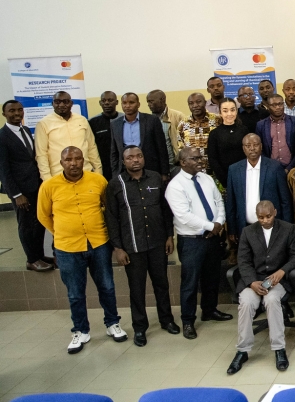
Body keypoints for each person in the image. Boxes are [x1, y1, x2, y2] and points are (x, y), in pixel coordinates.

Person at [37, 146, 127, 353]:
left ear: (83, 160)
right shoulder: (49, 186)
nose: (74, 163)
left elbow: (109, 209)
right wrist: (62, 232)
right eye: (68, 160)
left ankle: (112, 324)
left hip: (99, 243)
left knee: (107, 287)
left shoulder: (98, 181)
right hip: (67, 248)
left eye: (78, 159)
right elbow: (43, 216)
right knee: (75, 293)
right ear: (61, 163)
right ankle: (80, 331)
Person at [105, 145, 179, 347]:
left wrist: (169, 236)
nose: (135, 160)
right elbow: (111, 218)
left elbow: (165, 210)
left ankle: (167, 320)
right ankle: (140, 328)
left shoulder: (156, 178)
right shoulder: (115, 184)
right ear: (123, 161)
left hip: (157, 242)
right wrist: (118, 248)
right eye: (130, 157)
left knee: (161, 284)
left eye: (139, 156)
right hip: (132, 246)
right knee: (136, 289)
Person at [228, 201, 295, 374]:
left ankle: (279, 349)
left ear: (275, 212)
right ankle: (242, 350)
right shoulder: (248, 232)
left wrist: (282, 271)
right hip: (254, 280)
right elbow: (244, 261)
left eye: (268, 216)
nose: (265, 220)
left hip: (278, 280)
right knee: (246, 302)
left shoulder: (288, 229)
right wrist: (252, 282)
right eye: (260, 217)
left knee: (271, 299)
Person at [165, 147, 232, 340]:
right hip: (192, 241)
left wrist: (218, 223)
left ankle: (209, 310)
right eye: (195, 158)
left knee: (211, 277)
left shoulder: (207, 178)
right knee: (190, 282)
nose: (200, 161)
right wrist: (211, 226)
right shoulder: (175, 186)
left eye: (200, 157)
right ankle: (188, 321)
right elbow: (183, 216)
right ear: (183, 162)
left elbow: (219, 201)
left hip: (212, 237)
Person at [0, 100, 51, 271]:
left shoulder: (26, 130)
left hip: (35, 186)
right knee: (26, 226)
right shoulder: (2, 136)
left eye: (19, 110)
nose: (16, 113)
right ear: (4, 114)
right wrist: (16, 194)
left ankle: (39, 255)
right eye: (12, 111)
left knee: (39, 222)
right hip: (20, 191)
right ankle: (32, 259)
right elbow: (4, 170)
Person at [225, 133, 293, 239]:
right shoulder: (234, 170)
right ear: (243, 148)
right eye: (248, 146)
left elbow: (285, 200)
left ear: (261, 146)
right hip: (245, 227)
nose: (252, 148)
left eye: (255, 145)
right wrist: (232, 229)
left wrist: (287, 227)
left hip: (273, 227)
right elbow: (231, 202)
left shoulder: (274, 167)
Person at [35, 91, 102, 179]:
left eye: (65, 101)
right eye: (57, 102)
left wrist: (98, 171)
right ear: (52, 104)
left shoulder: (82, 120)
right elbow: (41, 154)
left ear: (71, 103)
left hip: (86, 172)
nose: (62, 105)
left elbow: (91, 147)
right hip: (59, 175)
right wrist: (47, 179)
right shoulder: (43, 124)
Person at [109, 92, 170, 178]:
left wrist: (164, 173)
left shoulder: (152, 121)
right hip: (125, 171)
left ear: (138, 104)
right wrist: (115, 174)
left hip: (150, 169)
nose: (127, 106)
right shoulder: (115, 124)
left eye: (131, 102)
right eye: (124, 103)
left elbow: (161, 148)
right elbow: (114, 152)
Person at [207, 98, 251, 189]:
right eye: (225, 111)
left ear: (236, 111)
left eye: (232, 110)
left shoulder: (244, 130)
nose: (229, 114)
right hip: (224, 180)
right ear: (220, 113)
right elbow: (213, 159)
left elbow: (249, 154)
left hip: (245, 176)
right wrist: (225, 180)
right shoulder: (214, 134)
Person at [256, 94, 295, 172]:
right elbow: (260, 150)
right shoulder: (261, 125)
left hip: (293, 168)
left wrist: (290, 168)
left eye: (280, 104)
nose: (278, 107)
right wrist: (270, 167)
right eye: (274, 105)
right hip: (271, 169)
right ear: (268, 106)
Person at [177, 92, 221, 173]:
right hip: (193, 170)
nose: (195, 105)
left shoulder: (217, 119)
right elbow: (181, 148)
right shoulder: (183, 124)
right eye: (191, 103)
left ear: (205, 102)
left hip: (215, 169)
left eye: (198, 102)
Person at [146, 89, 185, 166]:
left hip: (176, 163)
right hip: (158, 164)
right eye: (148, 102)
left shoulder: (178, 116)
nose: (149, 104)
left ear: (162, 100)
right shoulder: (148, 120)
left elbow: (185, 139)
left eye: (151, 101)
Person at [88, 91, 119, 180]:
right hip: (102, 166)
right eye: (103, 100)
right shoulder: (92, 122)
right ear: (100, 103)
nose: (106, 103)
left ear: (116, 102)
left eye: (110, 100)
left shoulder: (123, 119)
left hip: (121, 165)